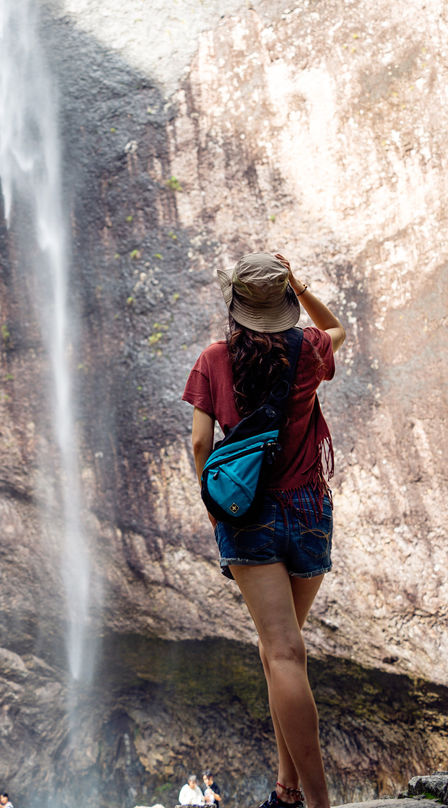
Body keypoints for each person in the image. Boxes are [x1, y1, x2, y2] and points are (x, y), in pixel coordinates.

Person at [183, 252, 345, 808]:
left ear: (236, 308)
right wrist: (301, 286)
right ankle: (287, 790)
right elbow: (336, 328)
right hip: (307, 509)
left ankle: (317, 802)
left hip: (247, 514)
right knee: (284, 653)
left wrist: (214, 511)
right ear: (285, 306)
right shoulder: (311, 350)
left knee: (281, 654)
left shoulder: (212, 360)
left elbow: (203, 445)